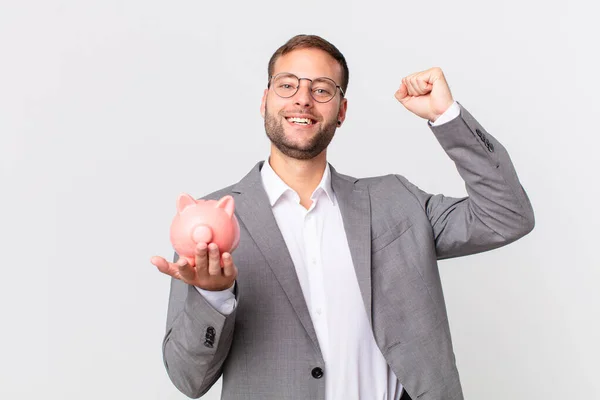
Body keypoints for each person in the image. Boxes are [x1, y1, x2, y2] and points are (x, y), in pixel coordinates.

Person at [151, 34, 535, 400]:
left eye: (321, 89)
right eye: (287, 85)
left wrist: (446, 117)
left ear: (342, 110)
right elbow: (189, 379)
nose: (303, 99)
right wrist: (212, 295)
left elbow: (507, 215)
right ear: (265, 100)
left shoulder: (395, 201)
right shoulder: (211, 221)